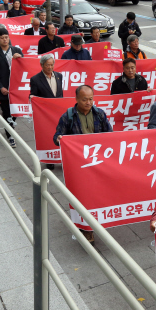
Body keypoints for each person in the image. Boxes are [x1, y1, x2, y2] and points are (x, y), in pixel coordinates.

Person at [53, 84, 113, 242]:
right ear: (77, 99)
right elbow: (57, 136)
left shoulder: (100, 114)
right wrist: (59, 139)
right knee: (81, 197)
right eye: (84, 99)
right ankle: (86, 229)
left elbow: (110, 135)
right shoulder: (69, 116)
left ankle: (93, 222)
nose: (88, 102)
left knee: (97, 194)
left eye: (91, 99)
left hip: (98, 163)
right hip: (78, 165)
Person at [0, 28, 23, 148]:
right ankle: (10, 134)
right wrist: (0, 87)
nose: (5, 40)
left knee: (15, 112)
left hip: (16, 87)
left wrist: (20, 58)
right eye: (2, 38)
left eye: (6, 37)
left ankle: (9, 128)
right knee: (7, 111)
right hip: (3, 87)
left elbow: (24, 67)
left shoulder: (16, 50)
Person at [30, 54, 64, 170]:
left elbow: (60, 95)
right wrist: (32, 98)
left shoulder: (59, 76)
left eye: (52, 64)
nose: (50, 67)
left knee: (61, 134)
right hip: (45, 115)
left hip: (58, 112)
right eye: (47, 65)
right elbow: (33, 95)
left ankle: (61, 157)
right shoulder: (35, 79)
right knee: (48, 134)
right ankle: (49, 160)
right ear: (42, 65)